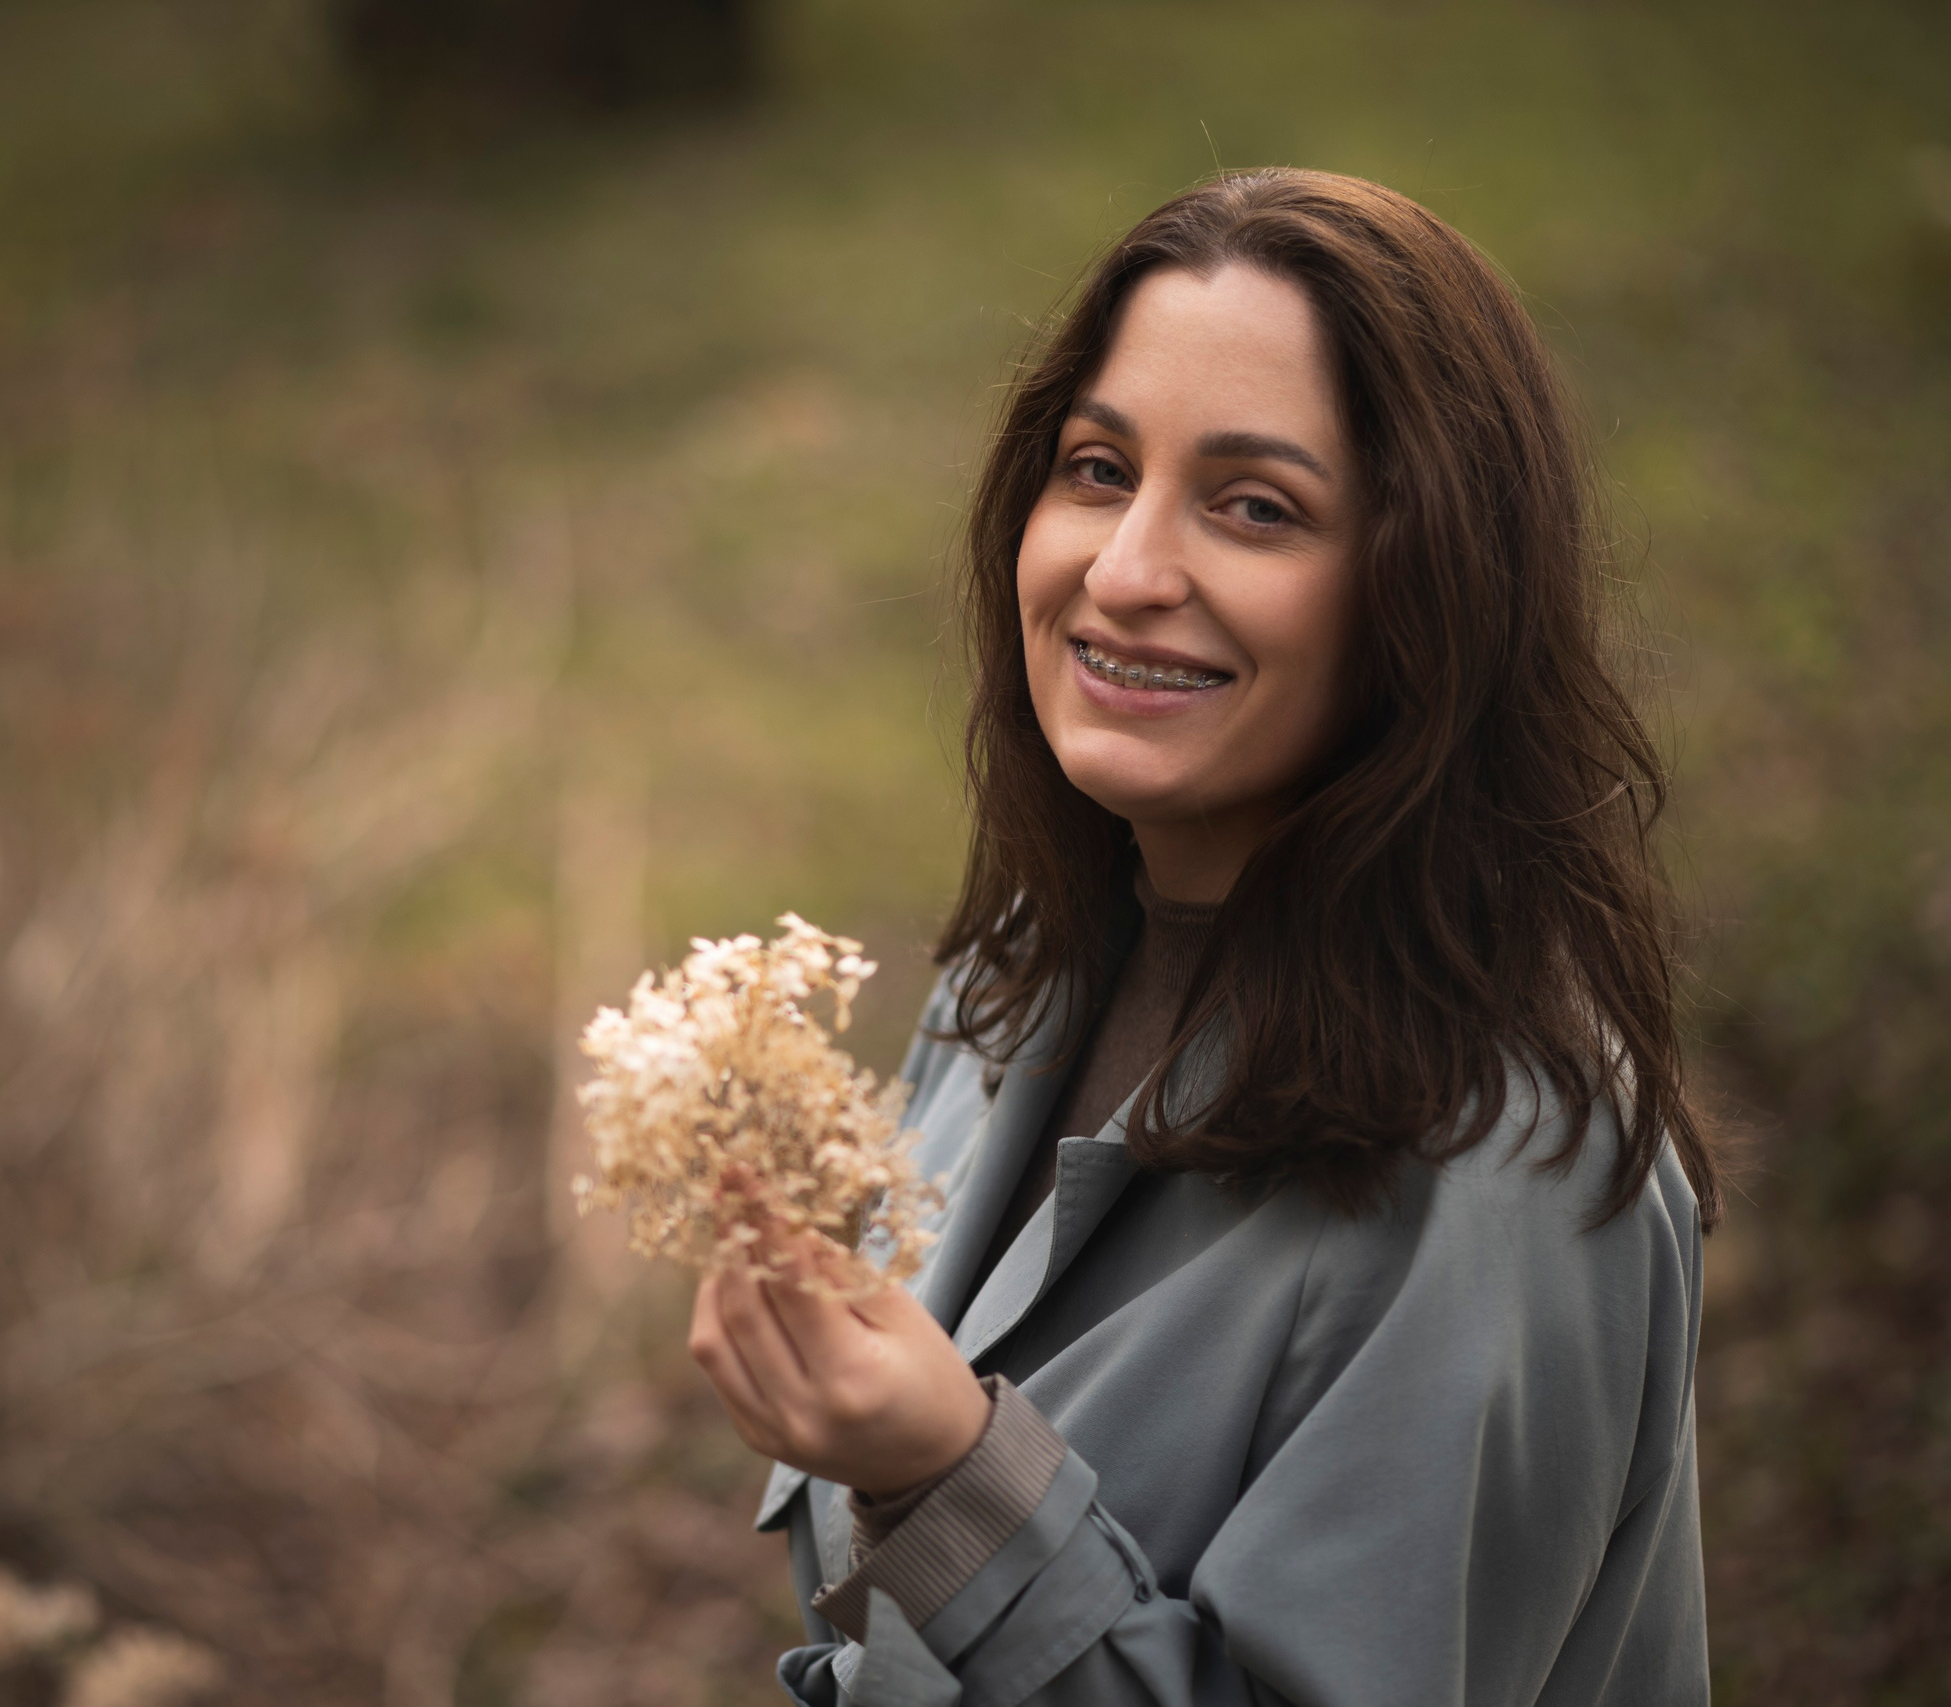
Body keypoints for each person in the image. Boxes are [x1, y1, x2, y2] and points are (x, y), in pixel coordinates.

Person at [684, 169, 1723, 1707]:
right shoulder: (1020, 970)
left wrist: (949, 1484)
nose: (1124, 574)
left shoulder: (1507, 1174)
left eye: (1256, 507)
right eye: (1099, 469)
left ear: (1431, 588)